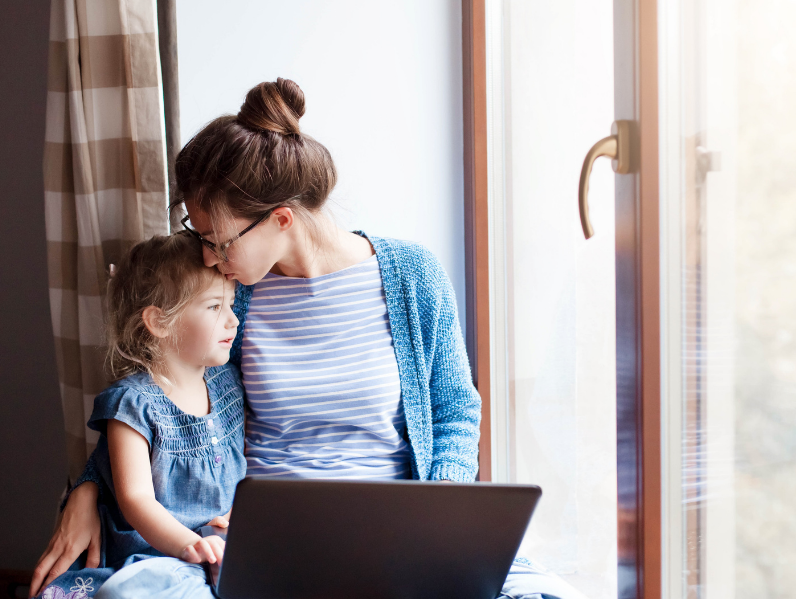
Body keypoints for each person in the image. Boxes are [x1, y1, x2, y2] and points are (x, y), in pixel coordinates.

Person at [33, 78, 583, 599]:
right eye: (197, 237)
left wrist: (436, 521)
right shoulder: (228, 296)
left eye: (217, 239)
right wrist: (89, 485)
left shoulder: (412, 275)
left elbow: (454, 413)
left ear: (280, 219)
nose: (206, 256)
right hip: (267, 538)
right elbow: (165, 398)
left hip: (399, 531)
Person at [30, 233, 246, 598]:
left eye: (232, 304)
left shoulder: (228, 383)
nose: (232, 321)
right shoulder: (132, 403)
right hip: (157, 555)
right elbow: (137, 500)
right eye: (214, 307)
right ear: (160, 323)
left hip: (220, 546)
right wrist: (188, 546)